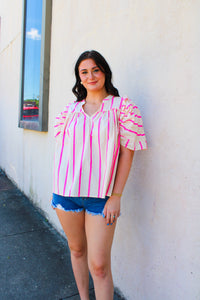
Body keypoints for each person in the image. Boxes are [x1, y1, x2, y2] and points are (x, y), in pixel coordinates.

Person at [51, 50, 147, 300]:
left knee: (100, 266)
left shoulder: (122, 107)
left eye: (96, 69)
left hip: (101, 198)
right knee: (76, 250)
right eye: (84, 71)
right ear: (79, 78)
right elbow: (65, 151)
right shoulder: (69, 111)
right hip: (66, 193)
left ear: (105, 72)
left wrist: (116, 195)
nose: (91, 75)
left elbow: (127, 154)